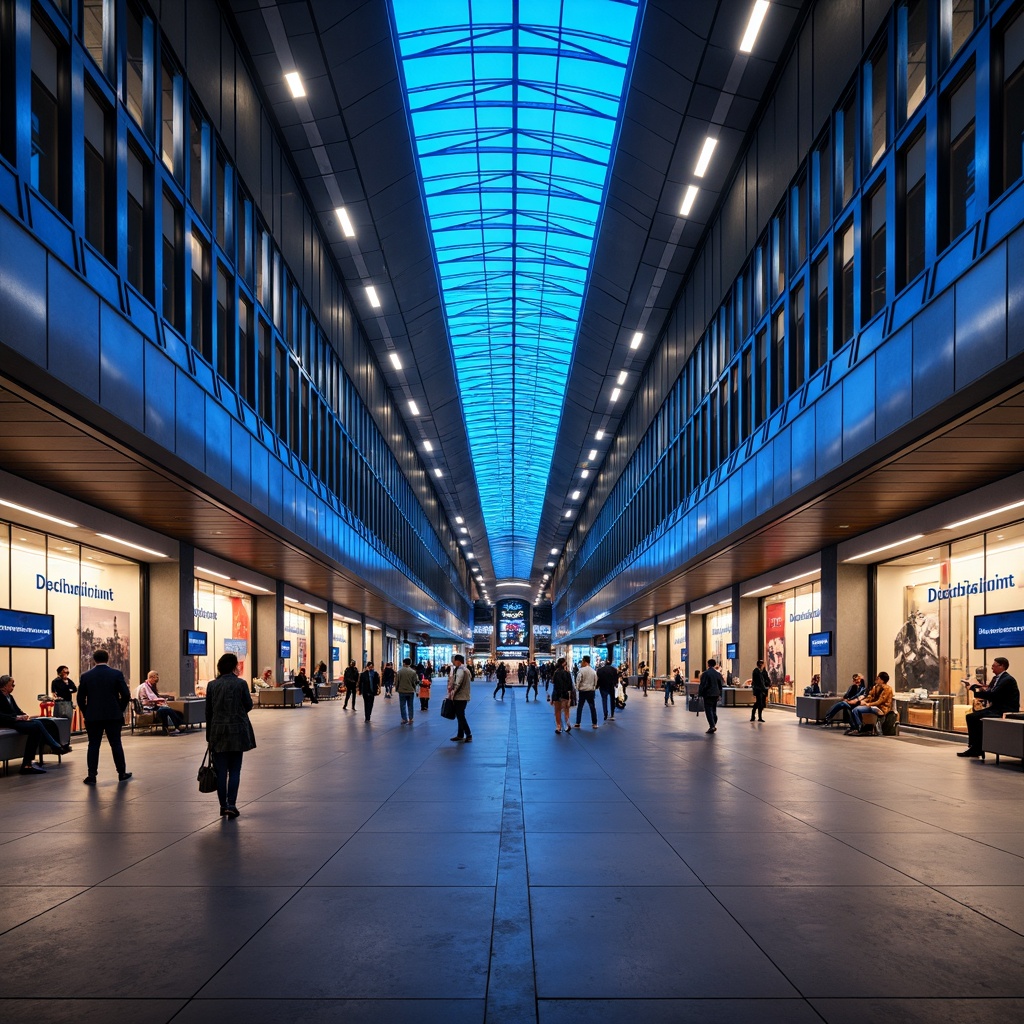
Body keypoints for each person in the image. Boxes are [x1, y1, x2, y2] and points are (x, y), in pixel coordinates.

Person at [205, 651, 256, 818]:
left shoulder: (212, 685)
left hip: (217, 732)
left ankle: (222, 805)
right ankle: (232, 804)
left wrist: (209, 736)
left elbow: (208, 712)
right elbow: (248, 705)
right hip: (237, 731)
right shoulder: (241, 684)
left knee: (220, 771)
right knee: (235, 770)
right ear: (234, 666)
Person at [78, 649, 132, 784]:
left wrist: (86, 711)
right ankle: (121, 773)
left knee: (93, 744)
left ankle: (92, 775)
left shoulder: (86, 676)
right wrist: (119, 709)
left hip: (93, 716)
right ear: (108, 658)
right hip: (113, 715)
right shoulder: (116, 674)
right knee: (116, 744)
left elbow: (80, 698)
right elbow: (126, 695)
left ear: (93, 660)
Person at [0, 674, 68, 773]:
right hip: (8, 722)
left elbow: (17, 710)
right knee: (36, 725)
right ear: (5, 685)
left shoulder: (10, 696)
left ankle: (28, 763)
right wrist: (16, 718)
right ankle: (54, 746)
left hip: (15, 720)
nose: (13, 687)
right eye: (12, 685)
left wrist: (24, 715)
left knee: (38, 724)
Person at [958, 657, 1020, 758]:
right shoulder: (997, 678)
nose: (992, 667)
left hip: (1004, 710)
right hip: (996, 708)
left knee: (974, 718)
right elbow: (989, 690)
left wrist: (974, 688)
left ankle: (976, 747)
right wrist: (977, 687)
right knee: (971, 717)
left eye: (994, 665)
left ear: (1002, 666)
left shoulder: (1007, 679)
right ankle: (975, 746)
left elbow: (992, 694)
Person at [448, 654, 473, 742]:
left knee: (460, 716)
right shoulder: (466, 669)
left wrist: (452, 693)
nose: (453, 662)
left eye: (454, 660)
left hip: (460, 696)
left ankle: (468, 734)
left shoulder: (460, 670)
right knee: (460, 715)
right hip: (464, 696)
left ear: (458, 661)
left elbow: (457, 683)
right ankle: (460, 735)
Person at [698, 658, 724, 734]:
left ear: (708, 664)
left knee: (708, 709)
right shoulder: (718, 674)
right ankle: (714, 722)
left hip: (708, 694)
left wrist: (700, 693)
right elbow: (720, 685)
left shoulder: (705, 673)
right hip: (716, 694)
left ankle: (712, 725)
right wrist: (720, 694)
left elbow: (702, 685)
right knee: (713, 709)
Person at [574, 655, 599, 728]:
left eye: (582, 661)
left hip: (583, 691)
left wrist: (577, 688)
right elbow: (596, 681)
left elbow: (578, 680)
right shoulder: (593, 671)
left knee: (580, 707)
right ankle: (594, 723)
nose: (581, 662)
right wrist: (594, 687)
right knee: (592, 707)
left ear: (585, 662)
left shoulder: (581, 670)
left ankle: (578, 723)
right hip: (591, 691)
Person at [551, 657, 573, 734]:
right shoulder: (567, 673)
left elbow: (554, 684)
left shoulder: (556, 673)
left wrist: (552, 697)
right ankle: (567, 723)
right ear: (564, 663)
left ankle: (558, 726)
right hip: (565, 694)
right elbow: (570, 686)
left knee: (557, 711)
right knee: (566, 710)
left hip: (557, 694)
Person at [396, 658, 418, 723]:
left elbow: (397, 681)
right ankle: (411, 718)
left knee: (402, 705)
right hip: (410, 691)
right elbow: (415, 682)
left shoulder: (399, 672)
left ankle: (404, 719)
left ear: (404, 663)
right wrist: (414, 689)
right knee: (410, 705)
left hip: (402, 691)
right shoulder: (413, 672)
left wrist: (397, 688)